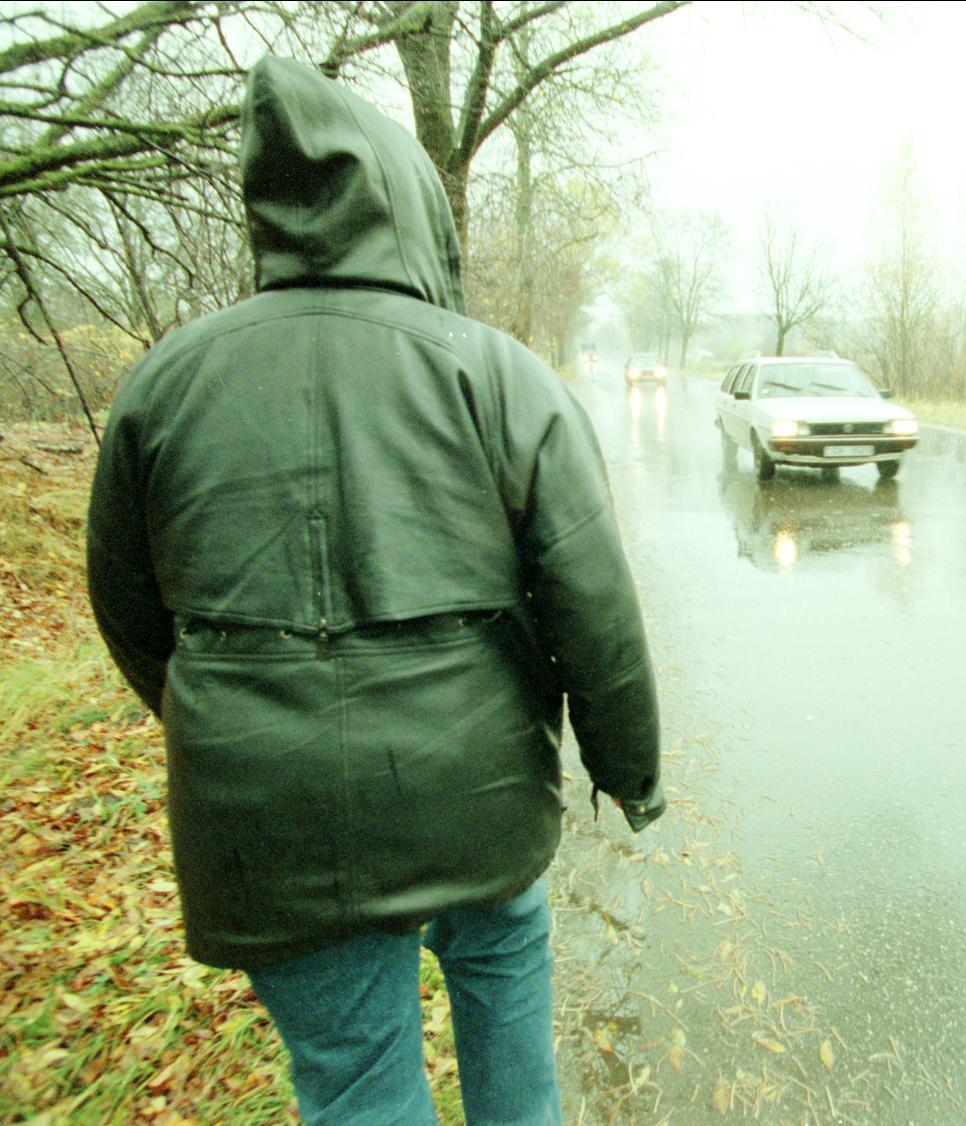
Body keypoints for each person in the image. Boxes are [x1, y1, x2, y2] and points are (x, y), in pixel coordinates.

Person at [85, 55, 662, 1125]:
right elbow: (593, 602)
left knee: (358, 1090)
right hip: (476, 797)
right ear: (412, 211)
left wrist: (225, 718)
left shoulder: (163, 384)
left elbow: (126, 604)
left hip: (269, 827)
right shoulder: (498, 376)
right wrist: (630, 772)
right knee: (511, 1027)